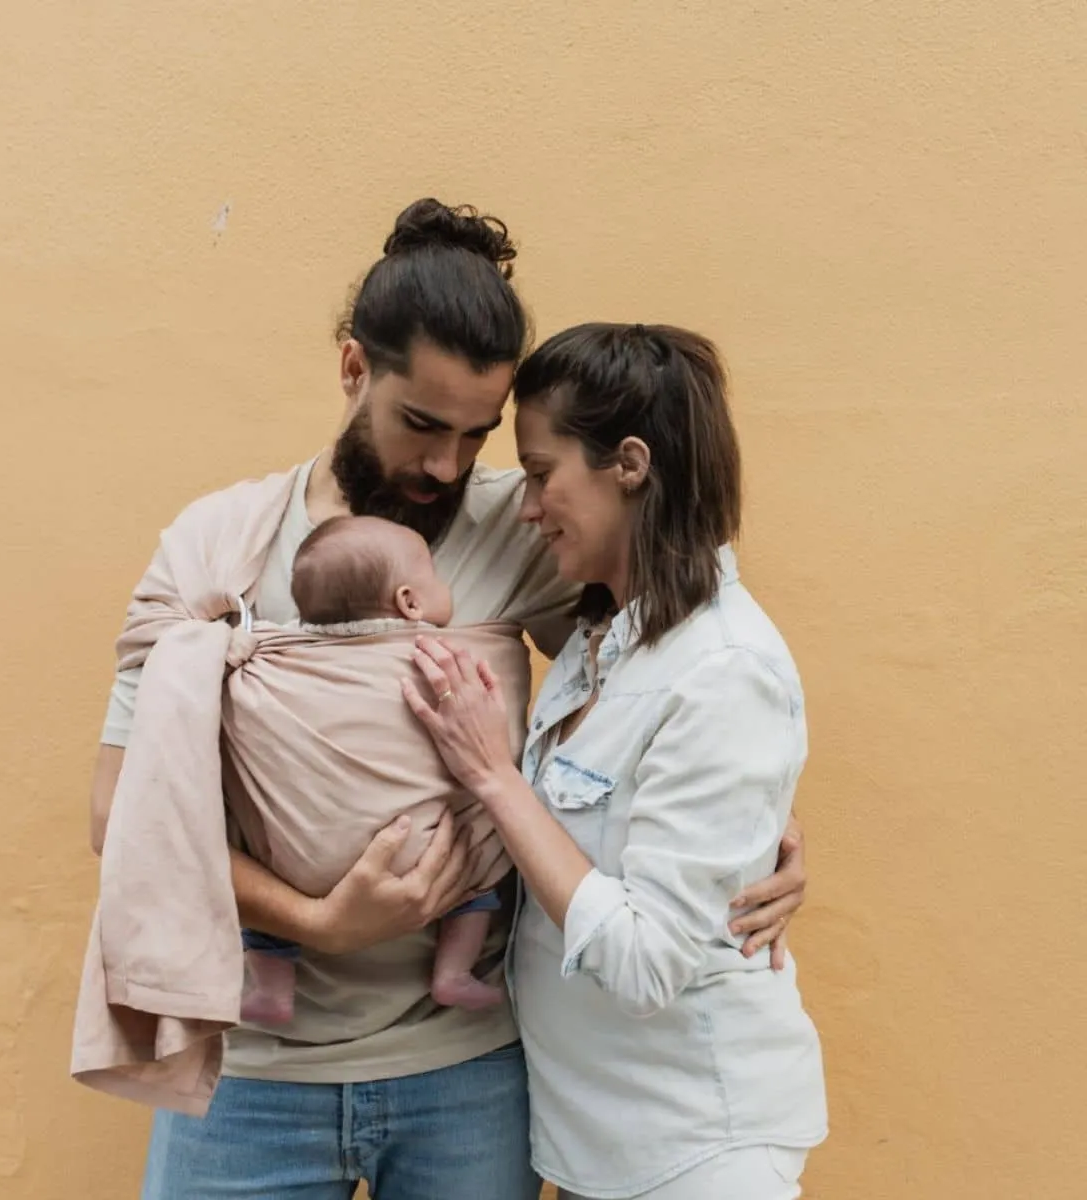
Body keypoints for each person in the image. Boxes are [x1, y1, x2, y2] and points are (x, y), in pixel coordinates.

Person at [88, 199, 808, 1200]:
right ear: (353, 369)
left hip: (468, 1069)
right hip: (256, 1072)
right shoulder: (215, 548)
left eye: (477, 437)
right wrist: (318, 919)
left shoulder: (521, 527)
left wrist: (752, 842)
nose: (446, 469)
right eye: (421, 425)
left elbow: (662, 683)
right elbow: (123, 816)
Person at [403, 322, 828, 1200]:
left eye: (539, 473)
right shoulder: (608, 649)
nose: (526, 508)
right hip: (607, 1147)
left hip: (699, 1151)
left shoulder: (725, 668)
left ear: (628, 464)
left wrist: (493, 775)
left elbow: (643, 963)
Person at [240, 513, 508, 1026]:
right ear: (410, 602)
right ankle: (452, 972)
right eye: (435, 573)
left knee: (263, 851)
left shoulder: (281, 656)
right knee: (478, 866)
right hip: (424, 852)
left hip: (299, 865)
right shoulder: (436, 656)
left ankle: (272, 987)